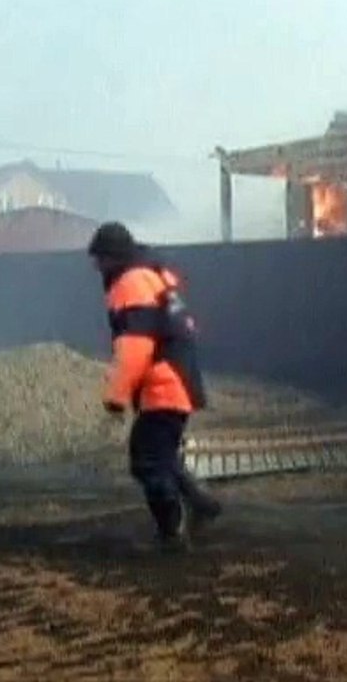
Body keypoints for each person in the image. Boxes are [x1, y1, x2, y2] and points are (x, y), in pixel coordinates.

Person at [87, 222, 222, 552]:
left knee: (146, 459)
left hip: (163, 386)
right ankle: (202, 504)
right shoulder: (152, 275)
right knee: (161, 454)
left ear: (110, 257)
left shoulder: (130, 283)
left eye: (98, 259)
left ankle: (171, 533)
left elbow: (135, 345)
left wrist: (116, 397)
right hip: (179, 380)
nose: (95, 267)